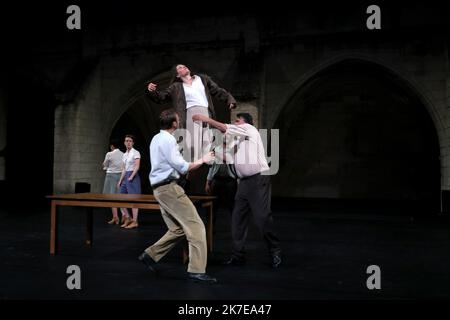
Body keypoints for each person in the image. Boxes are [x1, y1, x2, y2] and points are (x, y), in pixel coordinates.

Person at [192, 112, 282, 268]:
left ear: (246, 123)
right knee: (237, 219)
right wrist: (210, 153)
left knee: (262, 218)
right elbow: (229, 159)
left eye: (237, 121)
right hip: (244, 183)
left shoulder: (250, 129)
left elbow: (224, 127)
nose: (235, 123)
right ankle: (238, 255)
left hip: (259, 178)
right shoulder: (237, 143)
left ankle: (275, 251)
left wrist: (206, 119)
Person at [138, 109, 217, 283]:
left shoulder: (156, 138)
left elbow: (173, 164)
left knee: (178, 229)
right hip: (169, 189)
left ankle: (150, 255)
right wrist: (203, 159)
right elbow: (182, 167)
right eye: (178, 120)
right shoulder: (168, 139)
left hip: (159, 190)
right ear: (174, 123)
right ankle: (196, 270)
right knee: (196, 227)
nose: (179, 121)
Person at [147, 64, 237, 161]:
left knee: (207, 142)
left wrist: (229, 99)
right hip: (190, 114)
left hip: (205, 112)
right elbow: (162, 97)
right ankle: (191, 165)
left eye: (184, 66)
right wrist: (151, 91)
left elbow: (217, 90)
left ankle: (210, 162)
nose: (184, 67)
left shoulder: (202, 79)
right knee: (193, 145)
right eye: (180, 68)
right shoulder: (176, 87)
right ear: (177, 75)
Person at [205, 142, 238, 231]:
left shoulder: (233, 148)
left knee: (232, 206)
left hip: (229, 180)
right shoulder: (216, 148)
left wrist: (216, 154)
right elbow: (212, 167)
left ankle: (236, 230)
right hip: (217, 180)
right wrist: (208, 182)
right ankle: (210, 229)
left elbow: (229, 160)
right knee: (213, 206)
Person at [117, 135, 141, 229]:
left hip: (133, 176)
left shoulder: (136, 153)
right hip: (126, 176)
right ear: (124, 142)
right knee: (120, 199)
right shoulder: (124, 155)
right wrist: (120, 180)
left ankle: (135, 221)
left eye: (130, 141)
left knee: (134, 200)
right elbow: (123, 169)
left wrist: (131, 176)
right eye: (126, 141)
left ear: (133, 142)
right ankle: (128, 217)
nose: (128, 142)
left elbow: (137, 166)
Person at [102, 139, 124, 225]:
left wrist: (105, 166)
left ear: (112, 146)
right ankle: (124, 216)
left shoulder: (109, 154)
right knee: (120, 197)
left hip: (111, 176)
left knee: (111, 197)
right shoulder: (123, 154)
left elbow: (104, 164)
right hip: (120, 176)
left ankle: (115, 217)